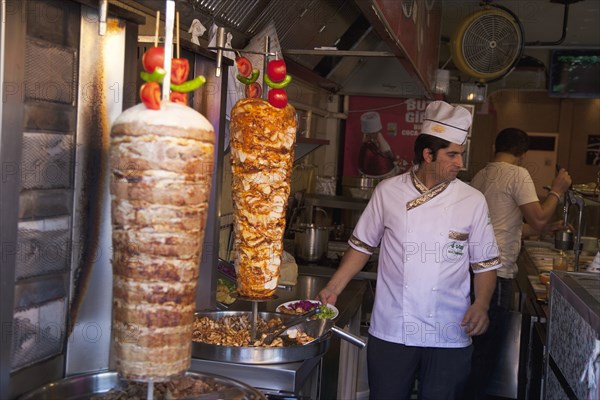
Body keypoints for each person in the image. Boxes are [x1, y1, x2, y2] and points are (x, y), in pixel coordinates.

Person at [317, 101, 501, 400]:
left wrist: (481, 304)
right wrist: (333, 287)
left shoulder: (473, 200)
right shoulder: (388, 192)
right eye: (452, 155)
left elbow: (485, 263)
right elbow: (362, 246)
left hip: (450, 328)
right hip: (393, 327)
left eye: (461, 154)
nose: (460, 163)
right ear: (428, 154)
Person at [466, 127, 572, 399]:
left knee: (474, 349)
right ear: (523, 154)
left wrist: (543, 231)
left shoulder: (481, 175)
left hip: (471, 271)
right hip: (495, 273)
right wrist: (557, 191)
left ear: (494, 146)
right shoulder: (517, 174)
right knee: (486, 355)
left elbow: (505, 224)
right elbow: (537, 218)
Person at [358, 111, 403, 178]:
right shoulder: (367, 147)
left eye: (374, 133)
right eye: (371, 134)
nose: (373, 135)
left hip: (386, 174)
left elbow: (389, 155)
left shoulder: (382, 143)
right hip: (370, 177)